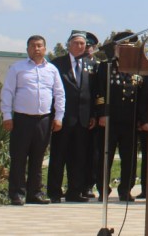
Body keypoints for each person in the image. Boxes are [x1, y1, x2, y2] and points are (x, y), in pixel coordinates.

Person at [0, 35, 65, 206]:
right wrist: (7, 115)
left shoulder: (52, 70)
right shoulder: (17, 68)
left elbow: (59, 94)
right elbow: (7, 92)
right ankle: (17, 193)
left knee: (38, 158)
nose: (36, 49)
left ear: (45, 48)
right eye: (33, 46)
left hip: (44, 119)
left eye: (39, 46)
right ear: (27, 49)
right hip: (22, 119)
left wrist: (58, 117)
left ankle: (35, 193)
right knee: (19, 157)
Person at [94, 31, 147, 202]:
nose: (125, 50)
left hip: (129, 120)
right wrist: (102, 114)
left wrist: (141, 118)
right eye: (122, 47)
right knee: (105, 156)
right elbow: (100, 91)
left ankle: (126, 189)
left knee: (129, 157)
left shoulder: (140, 67)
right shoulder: (106, 66)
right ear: (115, 48)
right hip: (110, 118)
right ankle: (103, 188)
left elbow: (142, 96)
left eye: (129, 47)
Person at [47, 30, 96, 203]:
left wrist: (93, 115)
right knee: (59, 156)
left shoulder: (89, 64)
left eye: (82, 44)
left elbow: (93, 91)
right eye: (76, 43)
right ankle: (54, 192)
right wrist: (54, 116)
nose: (79, 46)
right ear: (68, 45)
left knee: (79, 157)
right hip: (63, 119)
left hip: (83, 119)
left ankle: (75, 191)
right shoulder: (56, 64)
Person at [82, 32, 102, 199]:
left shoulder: (98, 66)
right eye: (85, 45)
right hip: (75, 115)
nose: (88, 49)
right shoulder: (73, 64)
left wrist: (96, 114)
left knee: (92, 154)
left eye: (90, 46)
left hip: (93, 116)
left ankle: (88, 184)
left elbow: (99, 93)